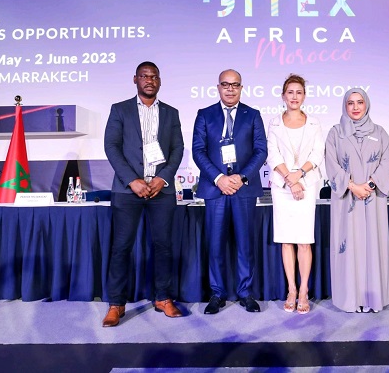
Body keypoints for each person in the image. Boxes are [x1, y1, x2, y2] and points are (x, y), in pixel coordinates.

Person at [102, 61, 185, 327]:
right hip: (128, 191)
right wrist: (132, 180)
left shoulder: (171, 113)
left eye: (154, 76)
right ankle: (116, 303)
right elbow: (111, 146)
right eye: (144, 76)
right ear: (135, 79)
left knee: (163, 246)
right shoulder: (120, 110)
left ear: (160, 81)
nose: (150, 80)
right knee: (121, 247)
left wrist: (162, 178)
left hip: (161, 190)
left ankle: (163, 298)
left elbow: (178, 149)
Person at [192, 69, 268, 314]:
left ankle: (245, 293)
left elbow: (261, 150)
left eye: (235, 85)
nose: (230, 89)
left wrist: (241, 177)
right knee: (215, 245)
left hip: (243, 189)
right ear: (218, 87)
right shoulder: (204, 115)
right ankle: (217, 294)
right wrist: (219, 178)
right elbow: (198, 151)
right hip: (216, 189)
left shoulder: (252, 115)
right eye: (225, 84)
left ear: (241, 88)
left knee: (245, 244)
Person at [325, 88, 389, 313]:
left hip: (373, 199)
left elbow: (387, 160)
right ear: (345, 106)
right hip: (347, 200)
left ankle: (372, 299)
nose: (355, 107)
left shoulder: (380, 132)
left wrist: (370, 185)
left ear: (367, 105)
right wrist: (353, 186)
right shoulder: (335, 133)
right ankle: (350, 299)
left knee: (373, 245)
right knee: (349, 246)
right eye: (350, 103)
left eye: (360, 102)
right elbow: (331, 164)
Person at [266, 74, 325, 314]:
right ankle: (291, 289)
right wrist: (290, 180)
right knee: (286, 239)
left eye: (299, 92)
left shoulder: (314, 123)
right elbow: (272, 154)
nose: (294, 96)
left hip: (306, 185)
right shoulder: (274, 123)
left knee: (303, 240)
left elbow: (317, 153)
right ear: (283, 96)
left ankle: (303, 290)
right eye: (290, 92)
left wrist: (298, 175)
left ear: (304, 96)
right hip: (282, 187)